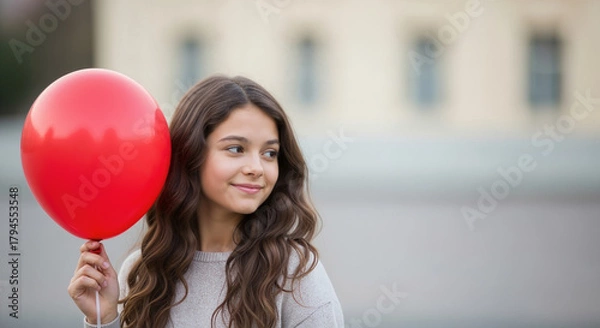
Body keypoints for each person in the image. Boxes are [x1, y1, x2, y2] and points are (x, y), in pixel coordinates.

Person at [67, 75, 344, 328]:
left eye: (269, 153)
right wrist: (102, 318)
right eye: (236, 149)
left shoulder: (295, 274)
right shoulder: (142, 272)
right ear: (191, 154)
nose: (257, 167)